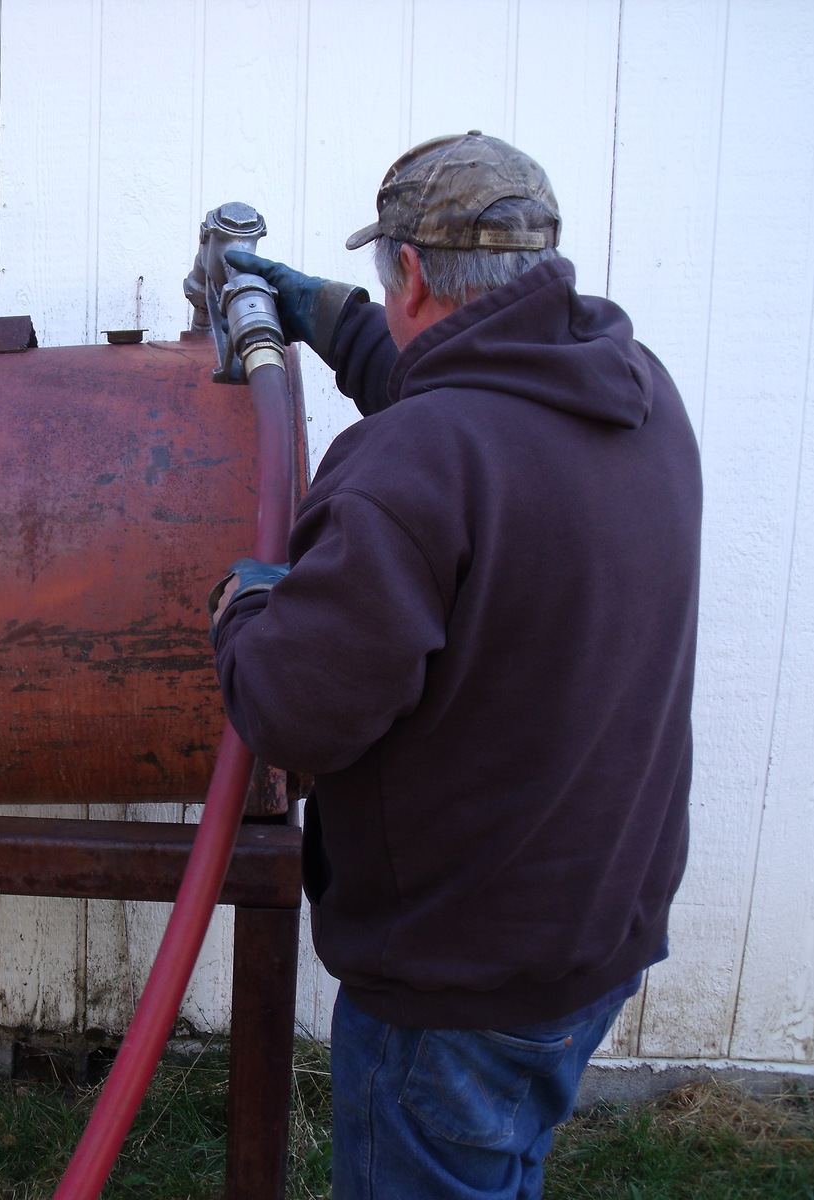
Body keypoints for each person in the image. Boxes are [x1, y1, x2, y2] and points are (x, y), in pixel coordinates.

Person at [207, 132, 702, 1199]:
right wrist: (319, 311)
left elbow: (293, 713)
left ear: (414, 273)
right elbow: (466, 392)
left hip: (457, 978)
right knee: (498, 1164)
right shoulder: (636, 391)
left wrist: (247, 604)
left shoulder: (411, 464)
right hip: (591, 932)